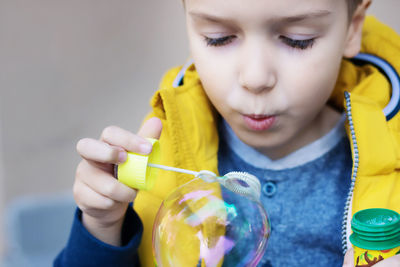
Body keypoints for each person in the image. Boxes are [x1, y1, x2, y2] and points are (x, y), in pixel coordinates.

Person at [55, 0, 400, 266]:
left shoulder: (390, 157)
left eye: (298, 41)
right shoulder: (169, 152)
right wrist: (102, 227)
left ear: (352, 29)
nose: (255, 77)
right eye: (218, 38)